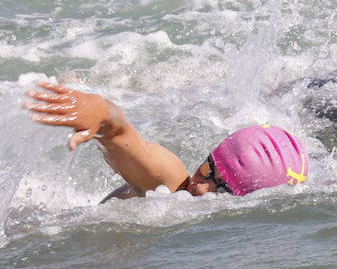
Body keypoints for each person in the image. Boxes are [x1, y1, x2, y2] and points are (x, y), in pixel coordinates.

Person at [24, 80, 310, 203]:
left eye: (223, 189)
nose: (199, 187)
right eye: (209, 169)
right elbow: (122, 133)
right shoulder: (173, 183)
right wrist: (103, 115)